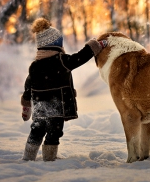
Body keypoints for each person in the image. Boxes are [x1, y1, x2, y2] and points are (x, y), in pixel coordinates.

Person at [20, 17, 107, 161]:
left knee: (36, 131)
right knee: (54, 133)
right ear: (57, 45)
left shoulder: (35, 66)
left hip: (40, 108)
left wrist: (26, 105)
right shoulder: (62, 61)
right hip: (56, 108)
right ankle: (49, 158)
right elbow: (80, 57)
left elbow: (28, 85)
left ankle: (28, 157)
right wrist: (94, 45)